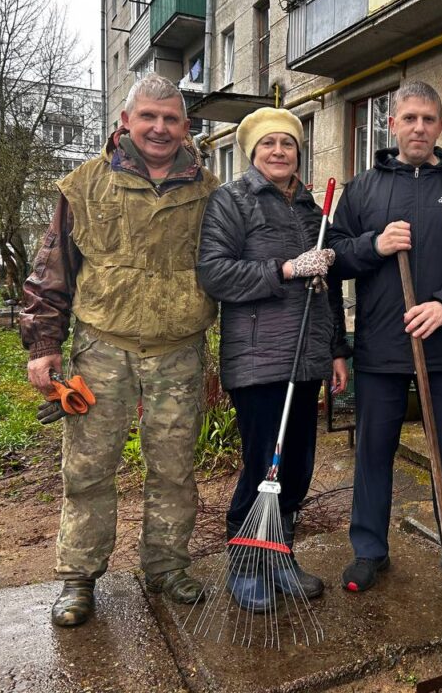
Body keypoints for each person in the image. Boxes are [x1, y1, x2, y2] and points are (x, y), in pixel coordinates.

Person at [19, 74, 221, 627]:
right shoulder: (84, 185)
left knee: (175, 469)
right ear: (126, 121)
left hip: (178, 350)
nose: (159, 128)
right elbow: (51, 269)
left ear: (185, 127)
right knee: (87, 468)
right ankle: (79, 577)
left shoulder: (209, 189)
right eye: (149, 116)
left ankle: (167, 566)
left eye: (171, 118)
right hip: (101, 350)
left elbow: (226, 266)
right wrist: (43, 344)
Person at [328, 81, 442, 594]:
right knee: (373, 453)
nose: (419, 127)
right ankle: (369, 551)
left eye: (428, 119)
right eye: (409, 118)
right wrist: (373, 244)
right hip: (381, 348)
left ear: (441, 127)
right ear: (392, 124)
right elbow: (334, 254)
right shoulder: (364, 189)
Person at [196, 107, 351, 610]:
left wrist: (336, 352)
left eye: (288, 144)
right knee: (263, 464)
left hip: (306, 359)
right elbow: (215, 273)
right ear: (252, 153)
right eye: (269, 145)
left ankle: (278, 552)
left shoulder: (312, 210)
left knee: (299, 467)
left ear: (299, 152)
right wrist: (283, 268)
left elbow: (329, 290)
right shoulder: (232, 201)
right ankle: (244, 563)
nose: (279, 152)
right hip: (259, 358)